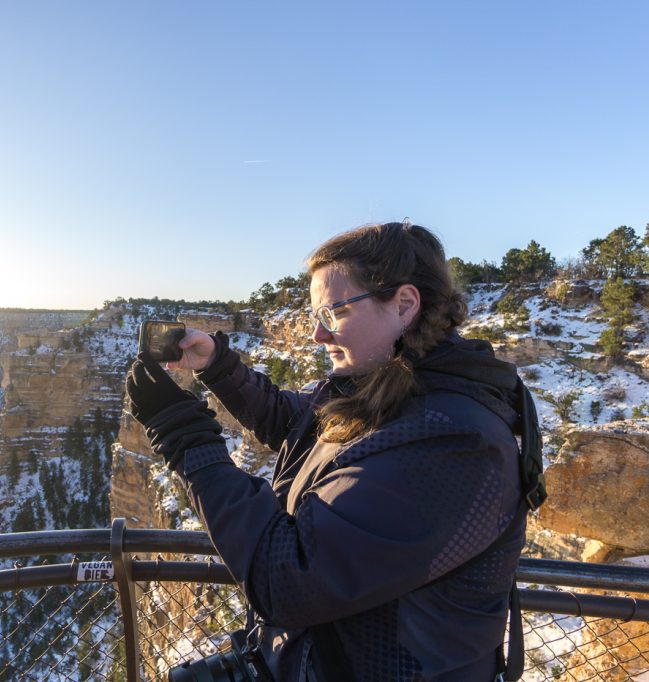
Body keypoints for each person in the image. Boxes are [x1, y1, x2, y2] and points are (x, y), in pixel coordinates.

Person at [125, 222, 530, 681]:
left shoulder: (453, 442)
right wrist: (216, 366)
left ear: (403, 304)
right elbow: (294, 424)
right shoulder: (390, 389)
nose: (318, 335)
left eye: (333, 313)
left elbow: (290, 579)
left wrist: (184, 437)